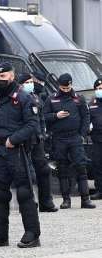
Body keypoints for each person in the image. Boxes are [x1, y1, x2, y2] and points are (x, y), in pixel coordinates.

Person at [0, 62, 41, 248]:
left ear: (12, 76)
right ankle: (0, 235)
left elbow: (32, 125)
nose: (0, 80)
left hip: (17, 151)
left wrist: (13, 140)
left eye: (4, 76)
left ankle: (32, 234)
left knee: (24, 193)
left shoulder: (24, 98)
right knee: (0, 195)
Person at [43, 73, 95, 209]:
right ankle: (66, 200)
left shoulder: (78, 98)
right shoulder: (51, 99)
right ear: (59, 86)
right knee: (62, 167)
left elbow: (86, 117)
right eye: (63, 88)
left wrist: (82, 135)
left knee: (81, 166)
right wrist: (56, 115)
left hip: (75, 137)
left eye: (68, 87)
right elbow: (44, 117)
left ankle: (86, 199)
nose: (66, 90)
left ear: (71, 85)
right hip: (59, 138)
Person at [18, 73, 58, 212]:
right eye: (27, 82)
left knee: (44, 170)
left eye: (31, 81)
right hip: (24, 141)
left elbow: (40, 118)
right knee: (28, 174)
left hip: (37, 139)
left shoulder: (36, 97)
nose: (31, 84)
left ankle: (46, 203)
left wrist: (42, 133)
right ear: (21, 84)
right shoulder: (17, 98)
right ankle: (30, 203)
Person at [89, 78, 102, 200]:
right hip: (97, 139)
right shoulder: (92, 103)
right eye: (97, 89)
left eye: (101, 88)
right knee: (97, 164)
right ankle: (100, 190)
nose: (99, 91)